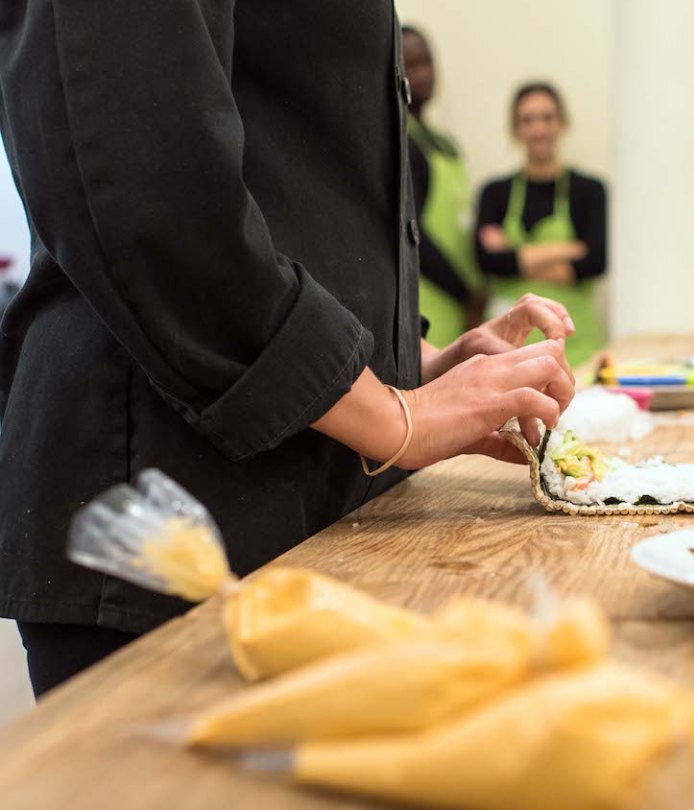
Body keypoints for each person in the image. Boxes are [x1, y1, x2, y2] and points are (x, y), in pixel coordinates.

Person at [0, 4, 577, 696]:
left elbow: (294, 174)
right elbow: (144, 185)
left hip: (314, 499)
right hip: (172, 505)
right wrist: (396, 419)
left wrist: (411, 365)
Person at [476, 83, 608, 367]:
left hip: (575, 346)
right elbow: (488, 262)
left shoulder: (589, 190)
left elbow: (595, 261)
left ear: (562, 123)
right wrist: (568, 249)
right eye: (528, 120)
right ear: (515, 129)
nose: (539, 129)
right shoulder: (495, 193)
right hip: (507, 347)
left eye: (547, 118)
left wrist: (516, 257)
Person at [404, 25, 486, 348]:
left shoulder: (444, 143)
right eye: (410, 65)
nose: (422, 73)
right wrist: (467, 293)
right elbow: (414, 233)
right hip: (428, 299)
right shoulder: (404, 144)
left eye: (426, 62)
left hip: (458, 305)